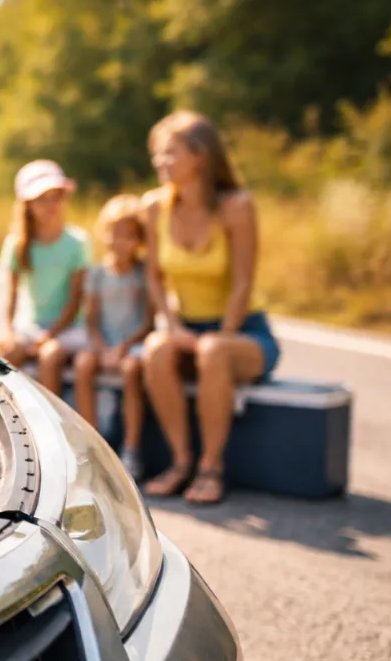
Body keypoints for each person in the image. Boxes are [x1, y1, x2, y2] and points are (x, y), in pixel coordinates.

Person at [139, 110, 282, 505]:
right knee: (156, 348)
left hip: (243, 332)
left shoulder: (237, 206)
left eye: (170, 153)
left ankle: (211, 467)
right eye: (158, 154)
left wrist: (222, 334)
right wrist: (170, 325)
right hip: (187, 327)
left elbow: (242, 283)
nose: (159, 162)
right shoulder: (153, 206)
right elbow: (154, 277)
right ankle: (181, 463)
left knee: (214, 351)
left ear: (200, 157)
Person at [73, 194, 153, 481]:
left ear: (139, 240)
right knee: (84, 364)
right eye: (114, 234)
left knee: (132, 370)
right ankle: (91, 445)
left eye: (128, 236)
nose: (120, 242)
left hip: (132, 343)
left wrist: (123, 347)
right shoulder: (96, 273)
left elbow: (147, 321)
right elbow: (92, 320)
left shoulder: (143, 274)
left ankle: (131, 449)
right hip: (103, 342)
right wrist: (102, 347)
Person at [0, 160, 91, 397]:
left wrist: (49, 335)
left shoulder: (77, 242)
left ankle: (51, 425)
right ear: (28, 205)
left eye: (56, 197)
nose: (51, 205)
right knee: (4, 353)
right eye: (42, 198)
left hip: (69, 328)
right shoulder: (16, 244)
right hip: (31, 325)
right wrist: (9, 331)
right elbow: (12, 296)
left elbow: (75, 300)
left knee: (49, 356)